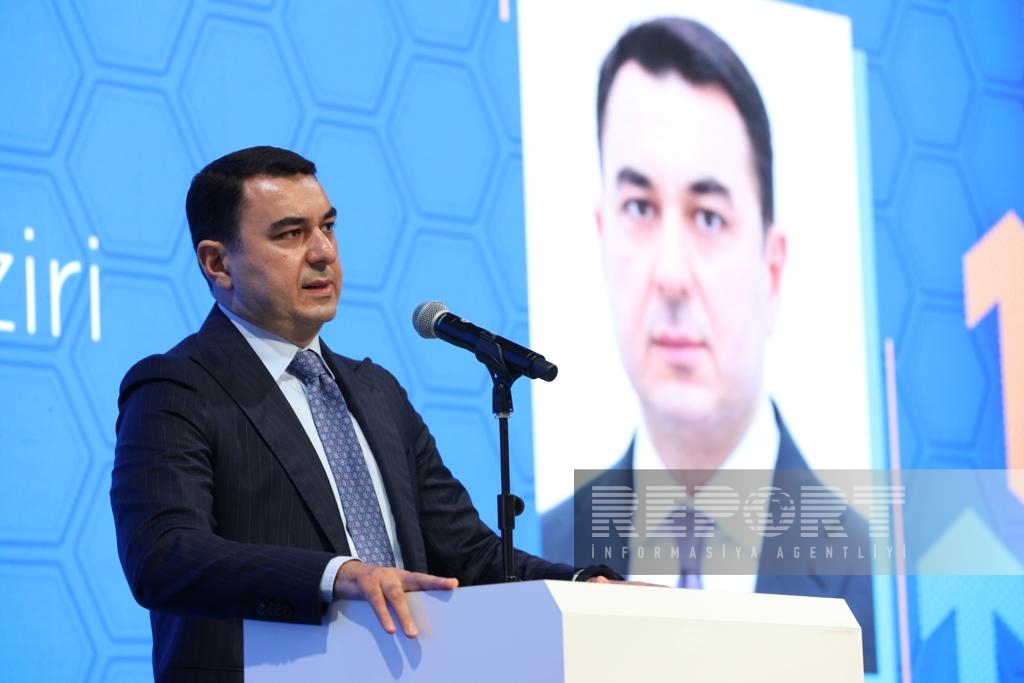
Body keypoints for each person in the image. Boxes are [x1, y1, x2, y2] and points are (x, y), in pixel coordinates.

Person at [111, 146, 618, 682]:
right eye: (290, 234)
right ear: (218, 263)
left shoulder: (377, 392)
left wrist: (585, 585)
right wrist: (338, 575)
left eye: (328, 227)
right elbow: (163, 556)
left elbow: (468, 556)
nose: (322, 252)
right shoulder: (177, 387)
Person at [539, 17, 876, 671]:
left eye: (709, 216)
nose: (670, 275)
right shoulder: (546, 553)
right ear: (602, 235)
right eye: (640, 207)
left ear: (772, 269)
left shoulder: (874, 572)